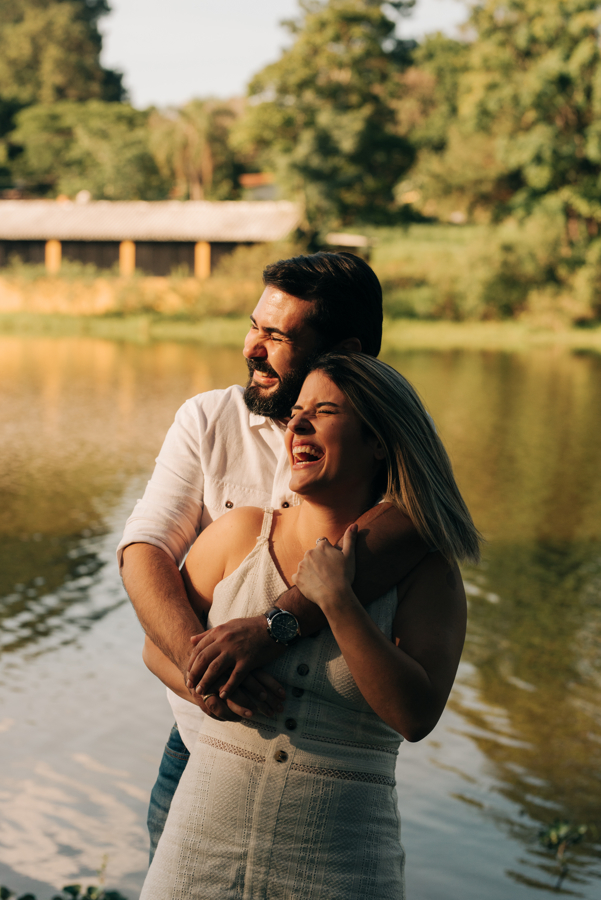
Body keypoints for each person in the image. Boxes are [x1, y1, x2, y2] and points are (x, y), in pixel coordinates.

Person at [118, 252, 428, 859]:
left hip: (329, 775)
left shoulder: (386, 442)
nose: (251, 348)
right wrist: (202, 671)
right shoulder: (209, 418)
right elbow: (144, 551)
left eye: (276, 335)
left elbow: (419, 525)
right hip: (199, 752)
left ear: (347, 350)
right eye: (255, 326)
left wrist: (273, 627)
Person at [140, 351, 481, 900]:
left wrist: (339, 603)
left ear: (378, 442)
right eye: (296, 411)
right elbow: (156, 650)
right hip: (196, 856)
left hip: (340, 869)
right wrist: (209, 688)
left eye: (323, 412)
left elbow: (415, 716)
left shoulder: (428, 571)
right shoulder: (237, 534)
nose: (296, 423)